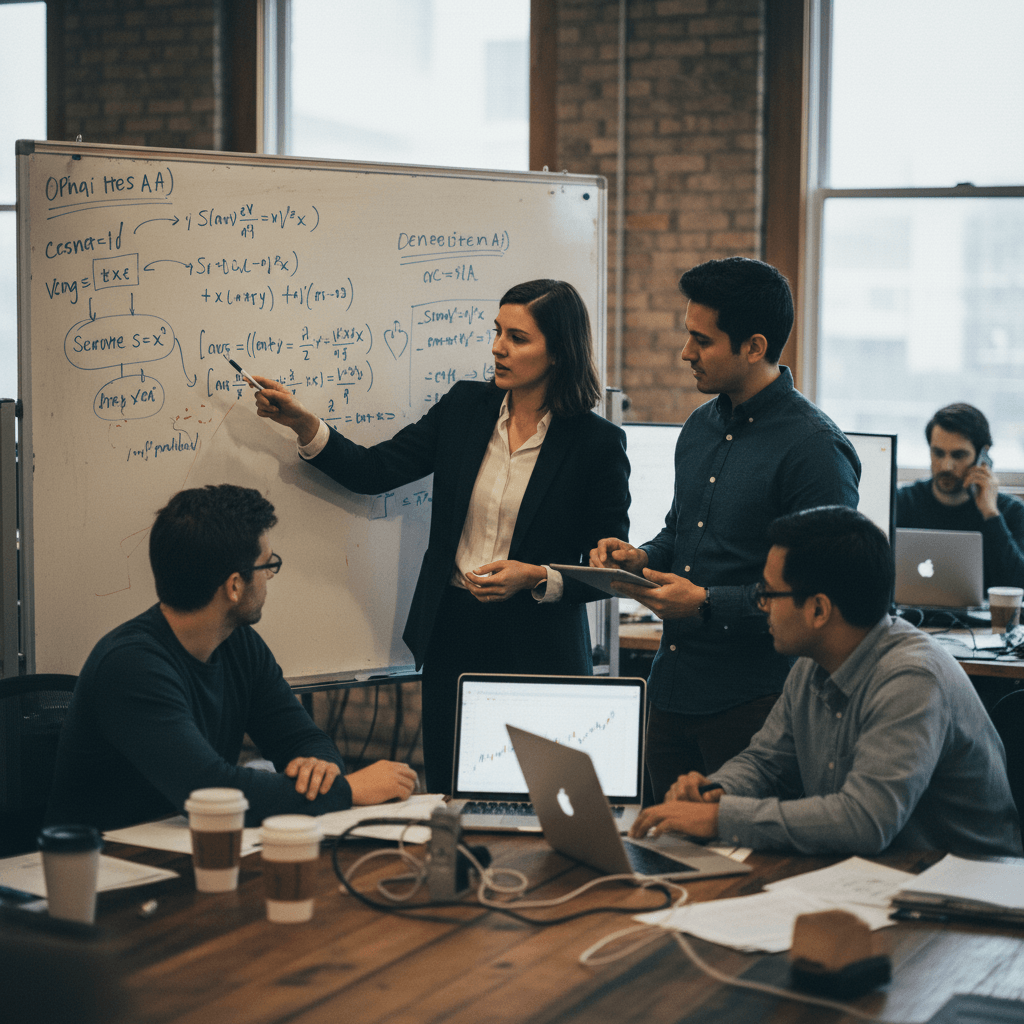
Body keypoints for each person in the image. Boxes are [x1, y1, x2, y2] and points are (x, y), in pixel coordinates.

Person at [249, 280, 630, 793]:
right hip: (454, 630)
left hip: (541, 643)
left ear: (559, 351)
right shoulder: (465, 408)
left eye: (517, 338)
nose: (497, 347)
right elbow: (376, 469)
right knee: (454, 791)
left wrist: (537, 576)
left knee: (541, 797)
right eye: (497, 332)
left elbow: (607, 566)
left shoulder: (596, 442)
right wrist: (303, 424)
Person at [591, 257, 860, 799]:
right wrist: (641, 558)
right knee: (663, 852)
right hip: (670, 693)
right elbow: (678, 534)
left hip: (758, 709)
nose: (685, 353)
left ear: (754, 346)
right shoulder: (698, 426)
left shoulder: (814, 449)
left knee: (748, 871)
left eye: (701, 340)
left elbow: (823, 594)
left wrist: (707, 603)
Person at [629, 506, 1021, 857]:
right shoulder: (812, 662)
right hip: (877, 876)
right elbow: (766, 764)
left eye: (768, 594)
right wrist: (715, 793)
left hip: (965, 897)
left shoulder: (910, 679)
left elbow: (865, 821)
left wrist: (721, 819)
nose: (761, 604)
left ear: (818, 609)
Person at [48, 485, 417, 831]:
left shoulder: (239, 644)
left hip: (186, 847)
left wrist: (321, 770)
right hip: (107, 871)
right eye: (266, 565)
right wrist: (349, 790)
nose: (270, 576)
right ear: (235, 586)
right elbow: (208, 791)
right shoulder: (130, 666)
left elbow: (303, 740)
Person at [896, 402, 1024, 590]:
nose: (946, 466)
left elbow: (1018, 587)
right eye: (938, 453)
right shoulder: (903, 502)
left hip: (985, 619)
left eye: (958, 455)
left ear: (982, 455)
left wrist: (990, 514)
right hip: (914, 617)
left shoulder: (1010, 511)